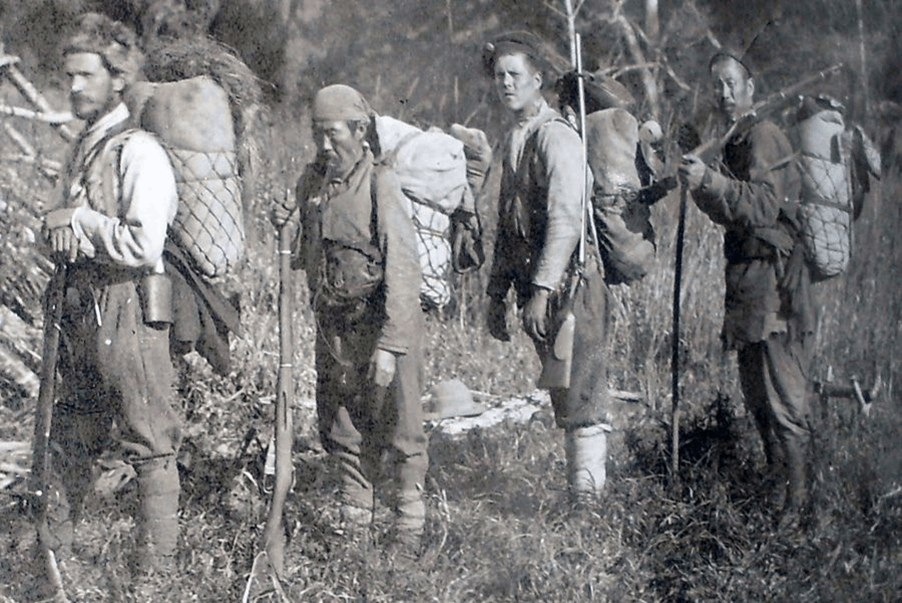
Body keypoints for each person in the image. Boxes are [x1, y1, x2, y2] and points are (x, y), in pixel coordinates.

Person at [40, 13, 182, 573]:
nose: (73, 87)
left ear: (117, 78)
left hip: (128, 303)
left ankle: (159, 575)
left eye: (86, 76)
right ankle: (55, 564)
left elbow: (145, 244)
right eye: (68, 76)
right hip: (79, 307)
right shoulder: (82, 148)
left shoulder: (138, 151)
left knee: (149, 439)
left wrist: (82, 221)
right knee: (70, 435)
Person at [272, 85, 428, 553]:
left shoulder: (381, 184)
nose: (324, 145)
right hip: (335, 329)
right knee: (344, 427)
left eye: (333, 134)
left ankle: (408, 535)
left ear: (360, 131)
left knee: (400, 428)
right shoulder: (312, 183)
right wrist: (288, 223)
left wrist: (390, 345)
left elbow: (403, 267)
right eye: (317, 134)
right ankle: (354, 532)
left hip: (383, 326)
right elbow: (305, 258)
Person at [679, 52, 814, 529]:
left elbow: (760, 205)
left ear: (751, 86)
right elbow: (728, 211)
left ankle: (798, 509)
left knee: (782, 399)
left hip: (775, 285)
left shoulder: (763, 135)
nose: (724, 93)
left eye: (732, 83)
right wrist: (700, 183)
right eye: (716, 85)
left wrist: (710, 180)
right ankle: (777, 489)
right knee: (757, 397)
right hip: (746, 286)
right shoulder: (733, 140)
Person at [483, 32, 611, 504]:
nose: (505, 83)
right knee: (565, 391)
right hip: (543, 289)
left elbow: (566, 220)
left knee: (581, 394)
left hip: (572, 287)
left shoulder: (555, 137)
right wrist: (497, 295)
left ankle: (588, 504)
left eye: (515, 75)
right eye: (499, 75)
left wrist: (539, 290)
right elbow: (507, 223)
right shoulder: (515, 138)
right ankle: (581, 493)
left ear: (537, 80)